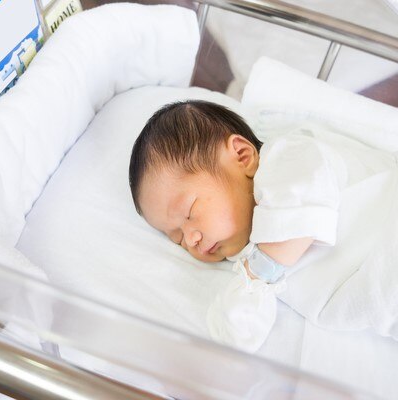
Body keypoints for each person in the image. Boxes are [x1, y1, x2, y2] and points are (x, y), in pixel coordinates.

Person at [128, 99, 350, 283]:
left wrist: (258, 273)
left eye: (189, 212)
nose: (191, 238)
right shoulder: (239, 256)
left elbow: (309, 192)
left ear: (242, 156)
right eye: (178, 239)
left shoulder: (286, 160)